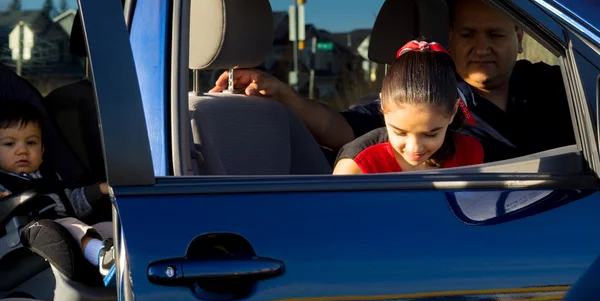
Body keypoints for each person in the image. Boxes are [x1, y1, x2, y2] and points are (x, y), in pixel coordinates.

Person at [210, 0, 574, 166]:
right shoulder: (419, 101)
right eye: (467, 34)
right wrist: (284, 95)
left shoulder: (564, 83)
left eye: (495, 34)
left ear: (520, 35)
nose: (481, 47)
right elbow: (339, 128)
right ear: (450, 35)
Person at [0, 100, 114, 284]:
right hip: (26, 244)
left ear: (43, 150)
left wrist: (100, 189)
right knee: (69, 226)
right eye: (9, 144)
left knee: (107, 227)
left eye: (31, 142)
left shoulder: (51, 178)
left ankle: (127, 261)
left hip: (65, 231)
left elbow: (73, 202)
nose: (22, 150)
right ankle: (105, 259)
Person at [334, 41, 483, 174]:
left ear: (454, 111)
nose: (415, 148)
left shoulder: (469, 152)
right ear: (382, 106)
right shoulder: (358, 166)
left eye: (431, 135)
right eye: (400, 132)